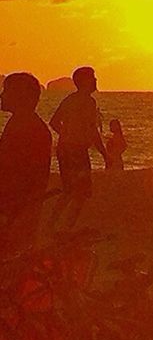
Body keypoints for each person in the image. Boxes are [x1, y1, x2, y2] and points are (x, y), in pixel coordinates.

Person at [49, 65, 107, 230]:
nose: (96, 81)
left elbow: (54, 122)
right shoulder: (88, 101)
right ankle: (65, 227)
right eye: (93, 78)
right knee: (81, 192)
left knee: (70, 191)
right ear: (84, 81)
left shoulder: (69, 99)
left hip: (65, 149)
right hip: (75, 151)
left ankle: (53, 225)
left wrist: (66, 134)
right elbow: (93, 130)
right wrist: (104, 154)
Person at [0, 73, 51, 251]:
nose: (2, 95)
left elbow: (22, 173)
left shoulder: (27, 126)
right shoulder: (21, 123)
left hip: (15, 209)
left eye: (6, 91)